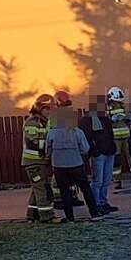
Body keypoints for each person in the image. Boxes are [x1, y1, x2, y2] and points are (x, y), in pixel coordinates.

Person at [46, 107, 102, 222]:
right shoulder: (77, 131)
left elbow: (48, 150)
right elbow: (85, 148)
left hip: (59, 167)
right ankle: (94, 213)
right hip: (76, 164)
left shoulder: (51, 133)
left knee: (64, 191)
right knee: (85, 189)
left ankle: (70, 217)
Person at [21, 94, 56, 223]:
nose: (49, 112)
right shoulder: (32, 122)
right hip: (33, 162)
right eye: (47, 109)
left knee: (37, 188)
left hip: (41, 161)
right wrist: (47, 145)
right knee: (42, 188)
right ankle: (47, 216)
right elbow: (32, 142)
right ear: (40, 108)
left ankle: (32, 215)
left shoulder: (45, 122)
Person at [80, 102, 117, 215]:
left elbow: (110, 134)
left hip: (109, 152)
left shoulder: (105, 118)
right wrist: (94, 151)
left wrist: (113, 147)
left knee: (106, 180)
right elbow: (86, 137)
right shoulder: (88, 120)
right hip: (99, 154)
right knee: (97, 181)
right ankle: (96, 204)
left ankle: (103, 202)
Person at [107, 87, 131, 189]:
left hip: (126, 136)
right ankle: (117, 181)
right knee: (117, 160)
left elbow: (129, 118)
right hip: (115, 138)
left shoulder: (123, 106)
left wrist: (128, 117)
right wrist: (112, 119)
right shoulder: (108, 108)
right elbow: (106, 121)